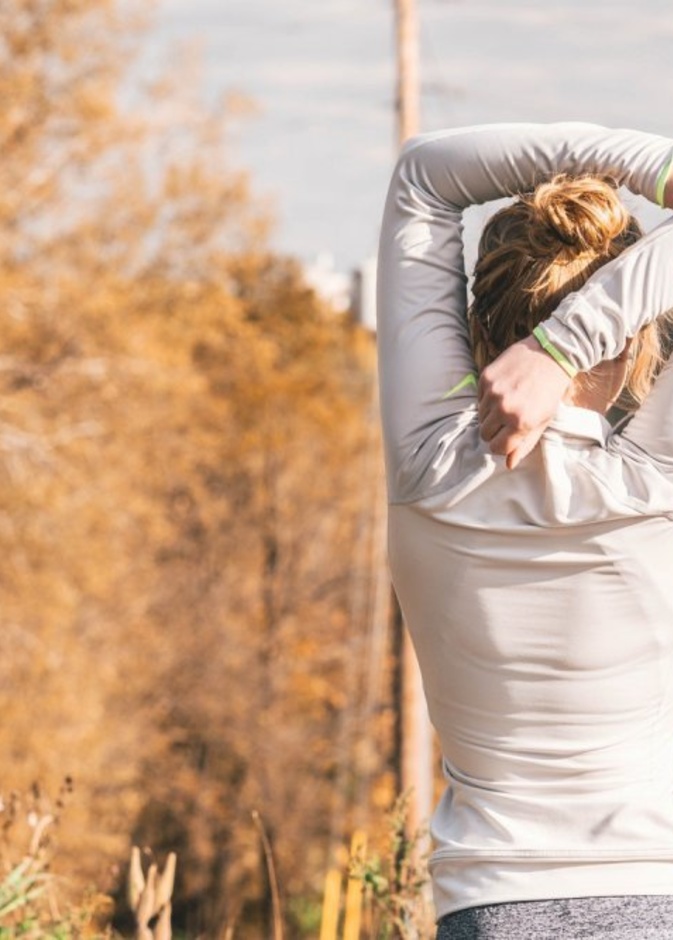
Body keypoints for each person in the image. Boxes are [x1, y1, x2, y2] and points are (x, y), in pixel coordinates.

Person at [376, 123, 673, 939]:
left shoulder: (425, 466)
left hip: (489, 909)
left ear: (475, 322)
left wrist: (545, 344)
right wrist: (564, 345)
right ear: (641, 337)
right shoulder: (653, 485)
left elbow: (424, 175)